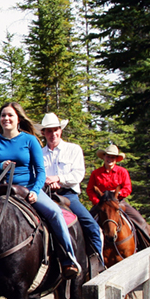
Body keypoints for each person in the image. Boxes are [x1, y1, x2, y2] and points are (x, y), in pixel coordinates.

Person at [0, 102, 80, 278]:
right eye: (3, 115)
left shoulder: (29, 140)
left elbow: (40, 171)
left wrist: (35, 191)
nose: (6, 118)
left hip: (26, 188)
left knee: (55, 213)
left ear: (18, 118)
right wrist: (0, 167)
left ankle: (68, 259)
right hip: (0, 190)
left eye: (10, 115)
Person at [38, 112, 103, 264]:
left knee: (92, 227)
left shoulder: (73, 149)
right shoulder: (39, 153)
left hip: (68, 195)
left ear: (60, 130)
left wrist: (58, 179)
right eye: (49, 130)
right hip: (45, 194)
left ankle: (97, 264)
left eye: (55, 130)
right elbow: (36, 174)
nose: (53, 134)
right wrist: (47, 182)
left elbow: (78, 174)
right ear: (43, 133)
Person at [87, 143, 150, 247]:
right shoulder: (96, 173)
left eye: (113, 157)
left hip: (119, 202)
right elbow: (90, 190)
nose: (110, 159)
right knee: (86, 224)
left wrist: (117, 195)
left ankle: (146, 246)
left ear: (116, 159)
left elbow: (127, 188)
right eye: (108, 156)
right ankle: (87, 252)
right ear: (104, 157)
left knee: (141, 222)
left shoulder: (122, 172)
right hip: (101, 204)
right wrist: (97, 201)